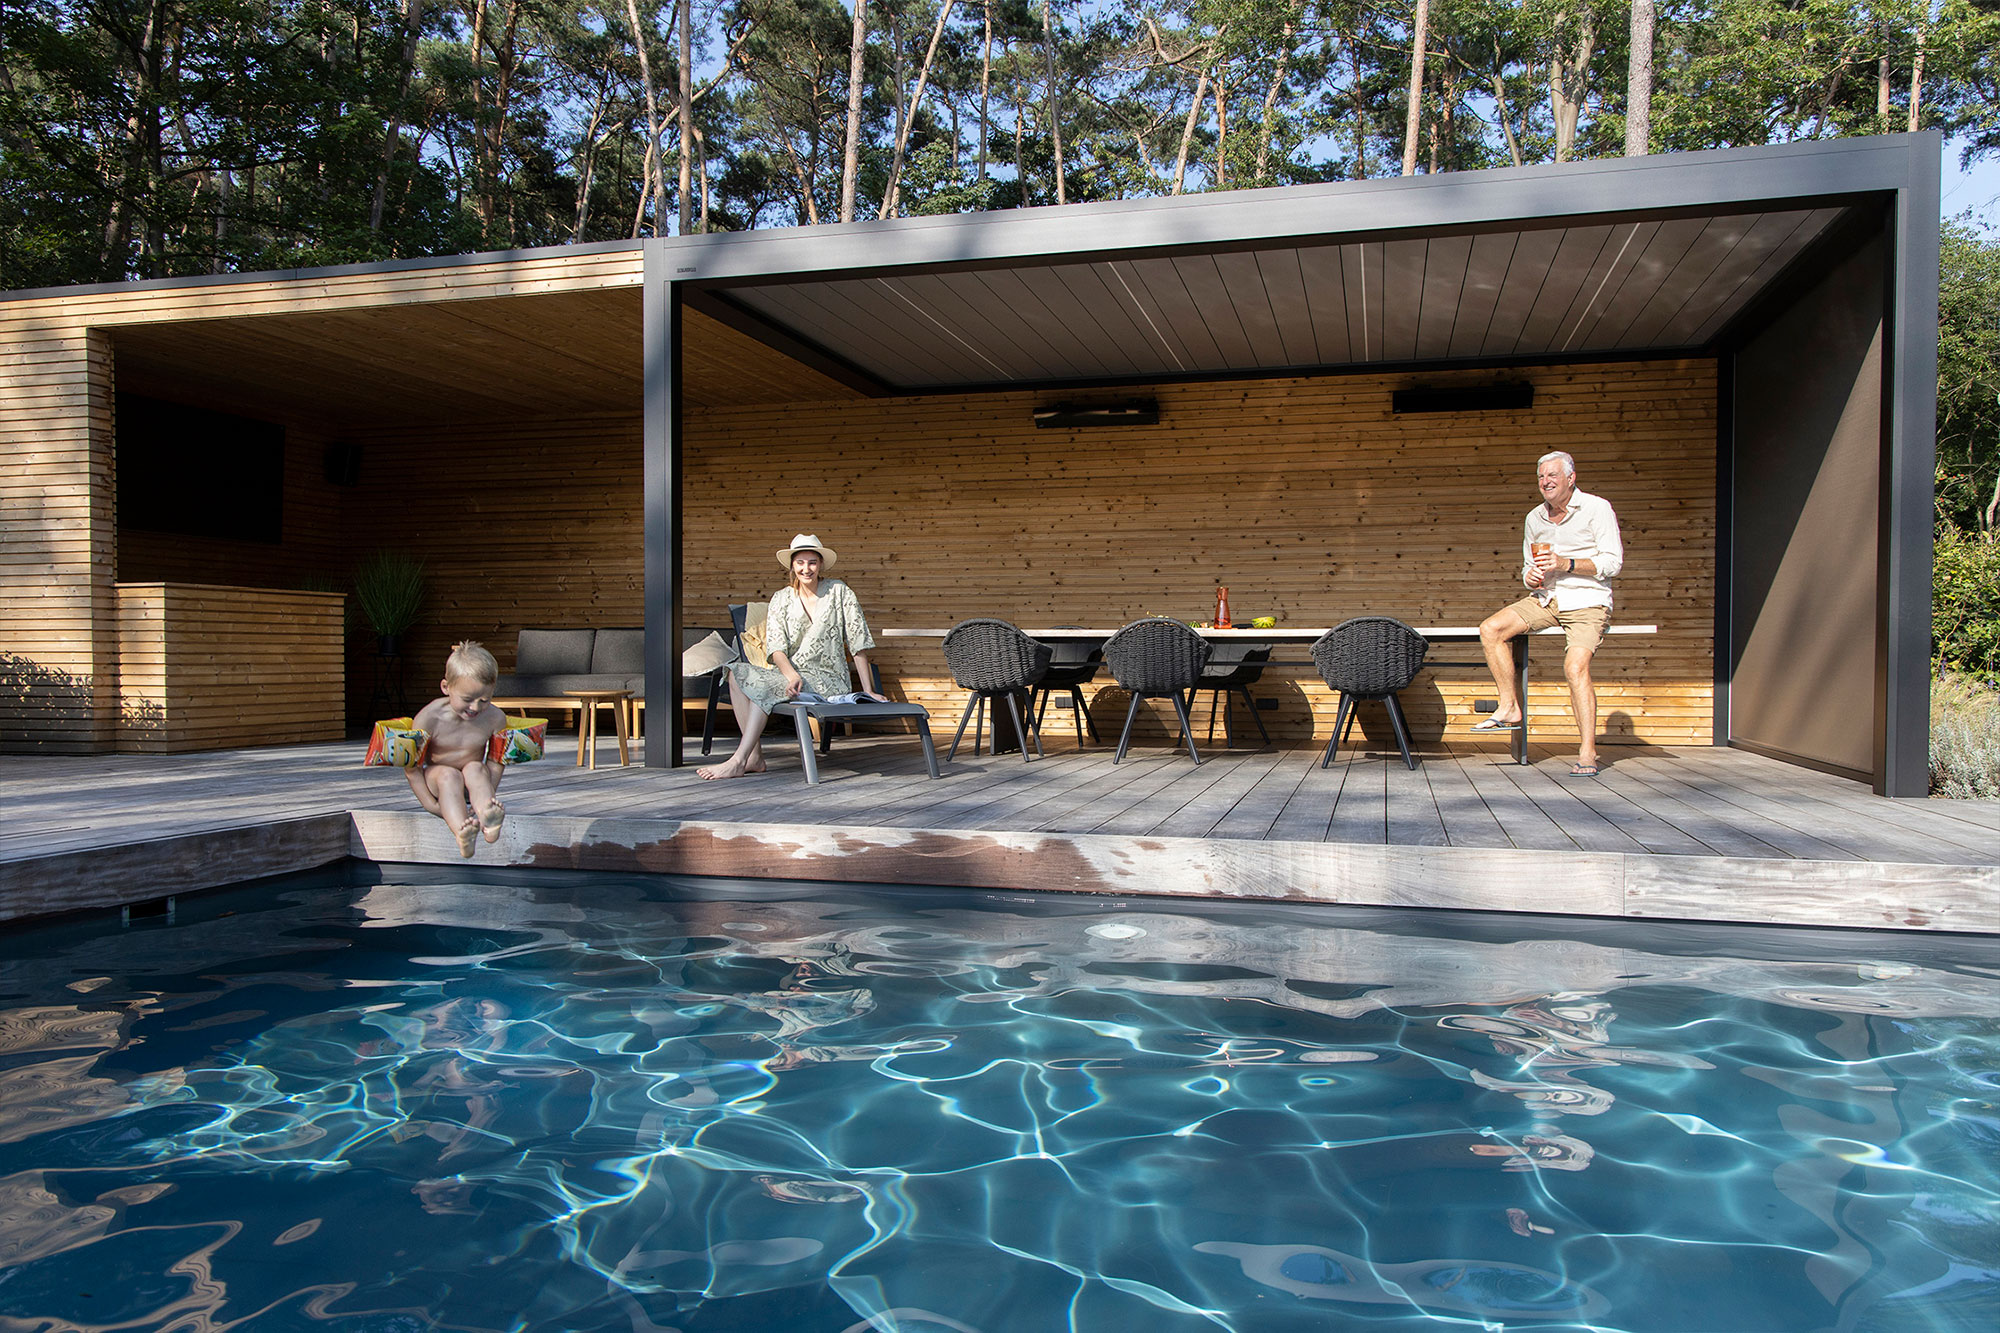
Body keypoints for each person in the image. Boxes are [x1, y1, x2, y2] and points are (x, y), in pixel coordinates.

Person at [1474, 451, 1624, 777]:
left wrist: (1565, 563)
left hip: (1587, 601)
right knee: (1491, 629)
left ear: (1571, 478)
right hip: (1546, 599)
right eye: (1541, 477)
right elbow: (1530, 565)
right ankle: (1510, 706)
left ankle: (1587, 750)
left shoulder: (1597, 509)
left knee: (1574, 667)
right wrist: (1529, 575)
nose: (1546, 482)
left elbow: (1613, 563)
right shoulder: (1534, 518)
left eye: (1552, 476)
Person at [698, 534, 887, 781]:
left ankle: (739, 760)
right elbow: (776, 648)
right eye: (800, 562)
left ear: (820, 565)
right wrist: (791, 674)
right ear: (792, 565)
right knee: (735, 673)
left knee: (764, 686)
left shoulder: (839, 591)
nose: (806, 569)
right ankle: (754, 756)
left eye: (812, 562)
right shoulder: (781, 598)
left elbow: (858, 641)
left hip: (828, 679)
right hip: (792, 676)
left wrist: (867, 691)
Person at [406, 640, 509, 855]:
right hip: (438, 780)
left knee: (476, 768)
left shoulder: (495, 718)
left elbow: (496, 762)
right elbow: (412, 768)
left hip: (473, 782)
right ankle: (462, 833)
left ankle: (488, 821)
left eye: (484, 700)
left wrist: (487, 795)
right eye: (467, 699)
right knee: (448, 775)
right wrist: (429, 804)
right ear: (446, 687)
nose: (475, 707)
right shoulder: (428, 718)